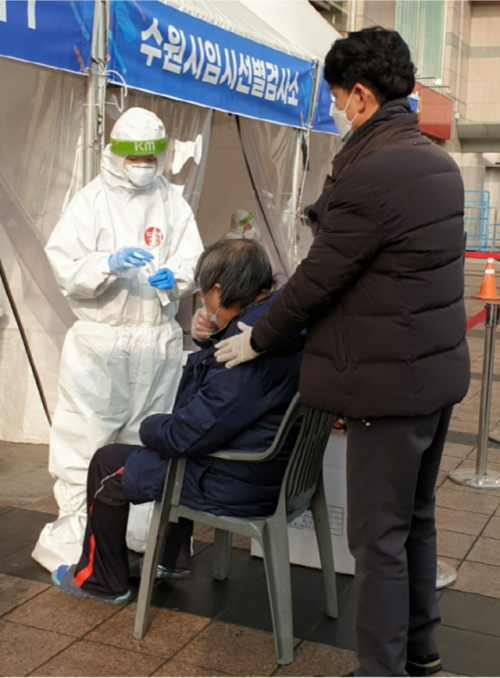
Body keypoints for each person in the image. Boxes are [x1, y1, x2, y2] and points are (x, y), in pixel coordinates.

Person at [215, 28, 470, 678]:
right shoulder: (437, 163)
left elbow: (315, 282)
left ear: (359, 95)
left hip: (386, 388)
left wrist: (255, 339)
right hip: (433, 376)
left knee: (377, 538)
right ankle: (422, 649)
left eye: (335, 97)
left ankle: (381, 669)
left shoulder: (372, 170)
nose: (334, 109)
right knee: (415, 519)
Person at [51, 239, 303, 602]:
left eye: (204, 292)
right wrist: (215, 336)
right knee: (173, 446)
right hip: (268, 468)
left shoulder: (246, 360)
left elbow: (189, 435)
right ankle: (171, 556)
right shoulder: (278, 326)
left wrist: (150, 426)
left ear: (218, 289)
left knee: (108, 463)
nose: (203, 301)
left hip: (235, 480)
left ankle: (100, 580)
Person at [33, 108, 204, 572]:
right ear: (117, 154)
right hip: (102, 341)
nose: (144, 165)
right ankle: (78, 533)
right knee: (87, 437)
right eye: (136, 156)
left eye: (152, 156)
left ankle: (136, 530)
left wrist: (178, 278)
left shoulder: (173, 202)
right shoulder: (91, 201)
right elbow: (66, 266)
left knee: (146, 436)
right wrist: (107, 263)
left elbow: (192, 258)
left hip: (156, 338)